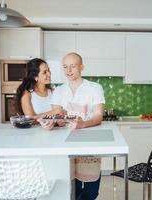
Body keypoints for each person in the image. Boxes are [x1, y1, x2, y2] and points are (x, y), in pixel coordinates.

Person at [49, 52, 105, 200]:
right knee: (69, 191)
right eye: (65, 67)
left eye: (73, 66)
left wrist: (83, 124)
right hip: (64, 144)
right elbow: (56, 114)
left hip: (90, 142)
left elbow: (99, 116)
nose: (68, 70)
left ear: (82, 67)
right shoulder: (59, 90)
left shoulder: (95, 88)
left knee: (91, 192)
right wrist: (55, 121)